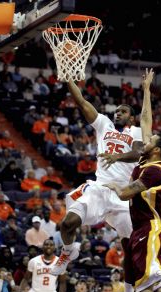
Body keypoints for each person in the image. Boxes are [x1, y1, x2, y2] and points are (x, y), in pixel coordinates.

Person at [51, 78, 143, 280]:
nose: (118, 113)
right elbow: (82, 102)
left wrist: (117, 156)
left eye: (123, 111)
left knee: (131, 250)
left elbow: (137, 154)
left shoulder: (137, 131)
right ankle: (67, 252)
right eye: (116, 111)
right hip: (100, 189)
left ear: (132, 118)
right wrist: (68, 81)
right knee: (68, 223)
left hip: (124, 195)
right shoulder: (105, 126)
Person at [104, 69, 161, 292]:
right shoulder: (148, 157)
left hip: (152, 228)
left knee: (153, 285)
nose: (147, 138)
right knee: (147, 286)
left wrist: (114, 186)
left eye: (151, 140)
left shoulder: (156, 169)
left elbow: (125, 194)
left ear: (157, 150)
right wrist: (145, 90)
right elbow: (145, 119)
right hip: (140, 228)